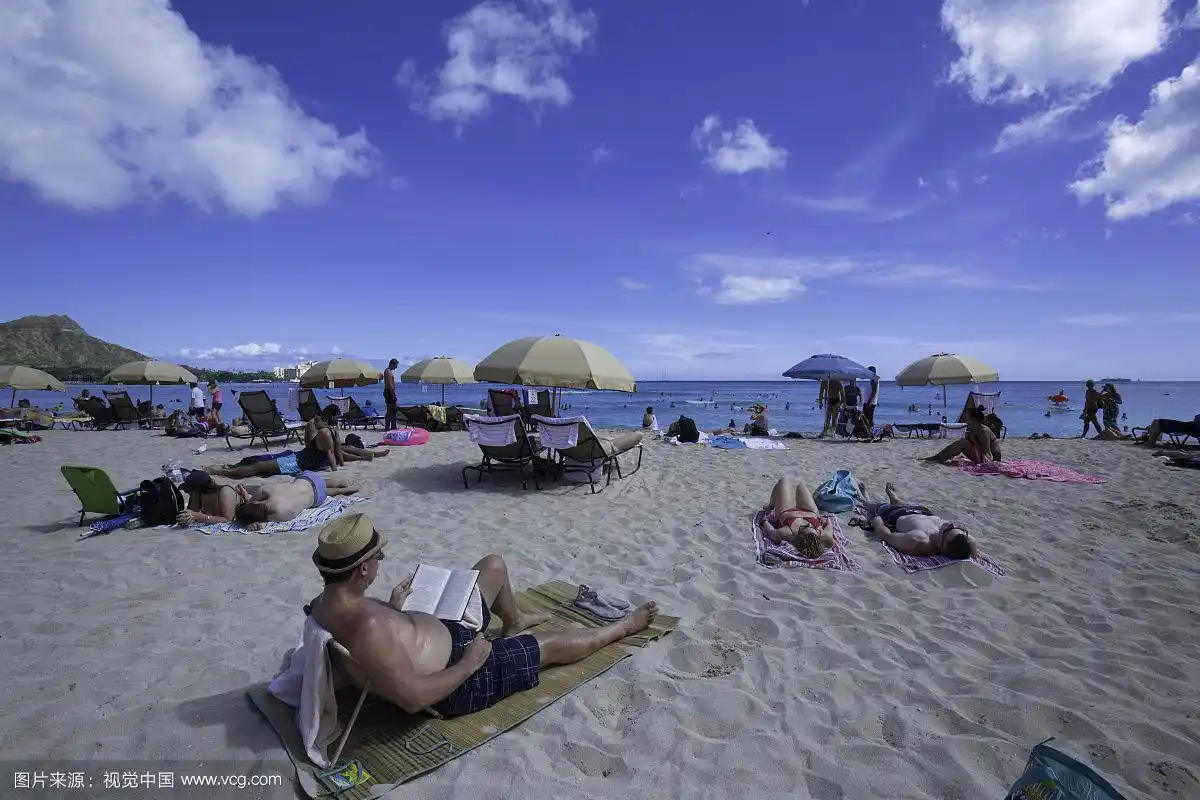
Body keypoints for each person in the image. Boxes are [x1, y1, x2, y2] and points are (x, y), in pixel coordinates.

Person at [307, 514, 658, 717]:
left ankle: (514, 620)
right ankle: (624, 627)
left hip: (440, 635)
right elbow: (413, 698)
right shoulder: (367, 626)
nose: (381, 563)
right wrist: (469, 664)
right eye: (379, 559)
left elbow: (373, 648)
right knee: (547, 645)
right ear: (363, 568)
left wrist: (395, 609)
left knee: (492, 565)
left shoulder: (325, 604)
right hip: (455, 680)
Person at [176, 470, 360, 530]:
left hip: (317, 499)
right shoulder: (266, 490)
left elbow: (254, 511)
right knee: (311, 483)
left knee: (324, 492)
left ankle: (341, 488)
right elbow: (251, 502)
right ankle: (341, 483)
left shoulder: (280, 515)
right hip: (307, 479)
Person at [857, 481, 976, 559]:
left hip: (895, 515)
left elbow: (886, 536)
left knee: (871, 506)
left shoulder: (920, 540)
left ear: (941, 544)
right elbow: (971, 543)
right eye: (954, 528)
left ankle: (866, 499)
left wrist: (878, 523)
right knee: (900, 503)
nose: (947, 525)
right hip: (922, 511)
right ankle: (894, 497)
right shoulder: (961, 540)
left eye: (947, 530)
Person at [760, 477, 835, 557]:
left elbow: (771, 531)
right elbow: (830, 527)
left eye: (802, 528)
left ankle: (770, 506)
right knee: (801, 486)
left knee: (784, 480)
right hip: (810, 511)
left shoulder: (788, 532)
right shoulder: (823, 535)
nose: (808, 525)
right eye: (811, 528)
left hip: (787, 510)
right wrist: (826, 521)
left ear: (800, 536)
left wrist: (765, 521)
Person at [924, 408, 1001, 463]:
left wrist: (973, 440)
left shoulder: (983, 431)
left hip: (993, 458)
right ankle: (938, 457)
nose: (965, 418)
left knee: (962, 443)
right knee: (962, 442)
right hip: (985, 456)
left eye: (967, 416)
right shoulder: (975, 428)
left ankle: (938, 458)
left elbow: (986, 452)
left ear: (973, 419)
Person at [384, 358, 399, 431]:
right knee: (390, 410)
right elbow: (390, 385)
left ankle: (393, 426)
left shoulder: (388, 371)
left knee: (393, 410)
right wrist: (393, 393)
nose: (396, 367)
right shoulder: (388, 372)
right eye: (396, 365)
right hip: (389, 392)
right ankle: (388, 426)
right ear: (392, 364)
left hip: (389, 392)